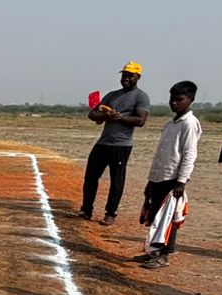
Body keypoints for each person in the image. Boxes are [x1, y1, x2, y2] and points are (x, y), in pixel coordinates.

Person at [134, 82, 201, 269]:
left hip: (172, 178)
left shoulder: (189, 124)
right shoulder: (170, 124)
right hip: (159, 176)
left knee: (167, 217)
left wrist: (181, 181)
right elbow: (161, 153)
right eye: (172, 99)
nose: (174, 103)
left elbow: (189, 154)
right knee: (155, 215)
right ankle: (153, 251)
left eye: (179, 99)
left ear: (190, 100)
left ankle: (164, 255)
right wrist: (151, 180)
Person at [79, 62, 150, 224]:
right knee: (90, 177)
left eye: (130, 76)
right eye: (124, 75)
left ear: (138, 77)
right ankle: (86, 210)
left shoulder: (141, 96)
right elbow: (92, 114)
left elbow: (140, 120)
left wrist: (120, 117)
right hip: (104, 142)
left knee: (116, 180)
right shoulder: (112, 95)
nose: (126, 79)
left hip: (121, 144)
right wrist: (106, 116)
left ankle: (110, 213)